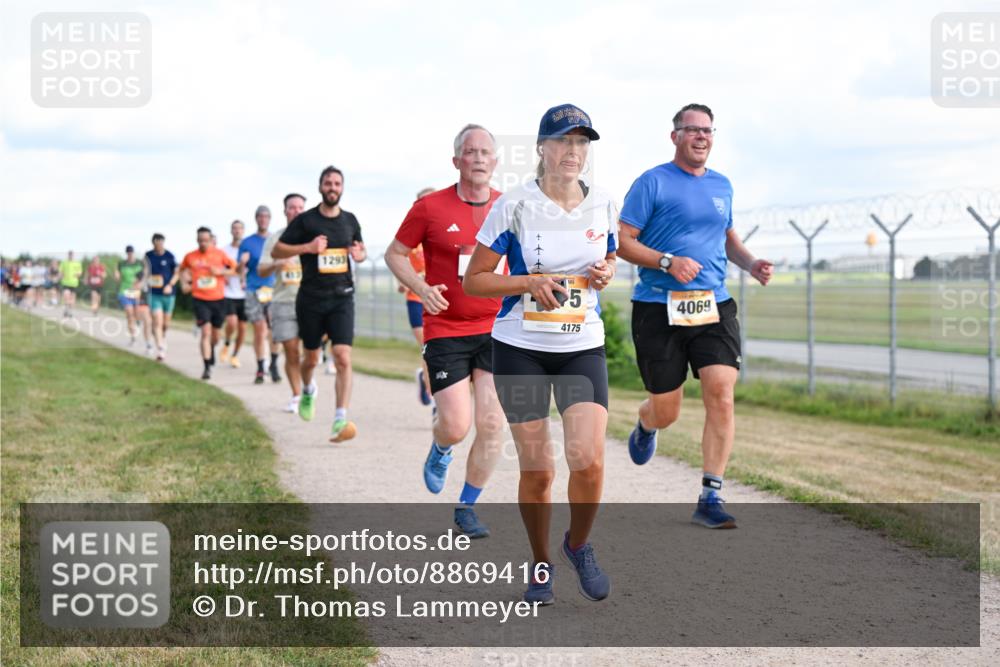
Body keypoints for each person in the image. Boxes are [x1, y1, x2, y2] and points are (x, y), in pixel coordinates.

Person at [464, 104, 617, 603]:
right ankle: (541, 564)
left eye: (581, 142)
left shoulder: (604, 204)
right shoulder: (514, 205)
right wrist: (528, 281)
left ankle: (578, 545)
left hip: (581, 346)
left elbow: (606, 260)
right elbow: (475, 281)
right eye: (563, 141)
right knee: (539, 470)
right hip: (520, 347)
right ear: (541, 148)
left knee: (588, 460)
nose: (573, 151)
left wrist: (605, 273)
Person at [616, 103, 774, 529]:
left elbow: (726, 239)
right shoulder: (652, 183)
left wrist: (751, 263)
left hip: (713, 304)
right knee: (667, 410)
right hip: (658, 307)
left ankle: (710, 494)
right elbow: (623, 243)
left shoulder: (722, 186)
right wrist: (667, 261)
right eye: (692, 130)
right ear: (675, 137)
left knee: (721, 392)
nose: (701, 137)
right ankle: (648, 425)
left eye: (707, 131)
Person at [387, 127, 507, 538]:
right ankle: (441, 449)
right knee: (456, 426)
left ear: (495, 161)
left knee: (492, 424)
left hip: (496, 327)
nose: (477, 158)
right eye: (469, 152)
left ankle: (467, 508)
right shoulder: (429, 207)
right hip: (445, 328)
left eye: (484, 152)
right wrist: (420, 288)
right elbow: (395, 253)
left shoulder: (509, 207)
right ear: (456, 161)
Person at [273, 166, 366, 442]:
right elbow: (279, 249)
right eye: (328, 183)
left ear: (342, 188)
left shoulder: (350, 220)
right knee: (311, 358)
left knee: (342, 356)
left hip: (342, 298)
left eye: (337, 183)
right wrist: (307, 248)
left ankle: (340, 418)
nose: (333, 187)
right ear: (320, 187)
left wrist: (359, 255)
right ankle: (308, 389)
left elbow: (360, 250)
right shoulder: (305, 221)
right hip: (311, 299)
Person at [259, 193, 307, 413]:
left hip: (310, 300)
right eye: (292, 207)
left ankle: (308, 383)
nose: (296, 211)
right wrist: (277, 262)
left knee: (311, 353)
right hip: (283, 301)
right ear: (285, 211)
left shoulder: (314, 237)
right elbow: (261, 270)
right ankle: (297, 394)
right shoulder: (275, 239)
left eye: (300, 207)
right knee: (291, 350)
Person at [179, 226, 238, 380]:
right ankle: (206, 367)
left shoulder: (220, 254)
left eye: (206, 240)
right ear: (197, 240)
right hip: (200, 299)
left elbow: (235, 269)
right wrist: (184, 283)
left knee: (215, 335)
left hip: (218, 299)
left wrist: (221, 272)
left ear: (211, 240)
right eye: (200, 240)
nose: (203, 243)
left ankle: (211, 349)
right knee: (205, 331)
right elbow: (182, 270)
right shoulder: (190, 256)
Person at [397, 187, 436, 406]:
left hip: (438, 301)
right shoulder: (410, 239)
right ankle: (433, 396)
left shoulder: (442, 235)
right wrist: (405, 284)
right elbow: (400, 273)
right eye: (423, 201)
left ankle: (426, 379)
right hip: (415, 300)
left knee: (436, 348)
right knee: (427, 347)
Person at [239, 205, 281, 385]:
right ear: (256, 219)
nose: (263, 219)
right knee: (260, 330)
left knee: (275, 331)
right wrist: (242, 264)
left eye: (266, 217)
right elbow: (239, 269)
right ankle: (260, 367)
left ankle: (274, 364)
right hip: (254, 290)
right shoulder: (247, 242)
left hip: (273, 289)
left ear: (269, 219)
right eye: (260, 217)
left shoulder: (276, 240)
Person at [144, 233, 179, 361]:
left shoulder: (170, 256)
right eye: (156, 242)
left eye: (160, 242)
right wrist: (144, 281)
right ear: (153, 243)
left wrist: (170, 285)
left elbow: (176, 273)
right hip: (154, 294)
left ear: (163, 243)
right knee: (157, 321)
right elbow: (145, 271)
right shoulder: (148, 256)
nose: (158, 245)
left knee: (165, 323)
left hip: (168, 294)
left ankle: (163, 337)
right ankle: (160, 348)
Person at [219, 220, 247, 368]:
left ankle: (235, 355)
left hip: (245, 294)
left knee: (243, 328)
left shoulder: (247, 249)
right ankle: (227, 342)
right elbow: (218, 269)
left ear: (243, 231)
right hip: (229, 293)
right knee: (232, 322)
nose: (237, 231)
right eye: (234, 228)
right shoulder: (224, 251)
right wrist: (226, 276)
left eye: (240, 229)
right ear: (231, 231)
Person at [116, 246, 144, 345]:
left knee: (136, 313)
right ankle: (133, 337)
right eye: (128, 253)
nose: (130, 254)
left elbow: (143, 276)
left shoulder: (139, 263)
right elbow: (118, 275)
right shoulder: (121, 264)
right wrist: (117, 277)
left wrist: (140, 284)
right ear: (126, 253)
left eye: (131, 252)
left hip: (135, 290)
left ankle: (137, 321)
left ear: (133, 253)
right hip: (124, 290)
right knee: (129, 312)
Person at [58, 250, 83, 318]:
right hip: (66, 282)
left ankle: (69, 311)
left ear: (73, 255)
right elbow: (60, 271)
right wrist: (60, 275)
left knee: (72, 299)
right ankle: (67, 308)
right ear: (68, 255)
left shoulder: (77, 263)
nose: (70, 256)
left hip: (74, 283)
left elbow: (80, 272)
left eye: (72, 255)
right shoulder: (64, 262)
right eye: (69, 255)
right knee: (66, 296)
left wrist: (78, 274)